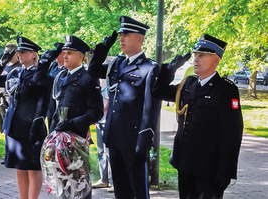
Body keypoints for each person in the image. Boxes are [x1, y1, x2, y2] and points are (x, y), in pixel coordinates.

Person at [153, 34, 243, 199]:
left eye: (202, 55)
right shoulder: (187, 84)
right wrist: (170, 69)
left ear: (216, 60)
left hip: (209, 169)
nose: (196, 58)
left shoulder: (225, 90)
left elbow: (232, 134)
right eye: (195, 54)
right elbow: (158, 91)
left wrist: (225, 172)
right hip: (185, 163)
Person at [88, 15, 161, 199]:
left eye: (126, 34)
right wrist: (104, 47)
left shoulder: (149, 68)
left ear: (139, 38)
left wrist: (143, 144)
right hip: (114, 137)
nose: (121, 38)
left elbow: (151, 109)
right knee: (120, 191)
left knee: (138, 192)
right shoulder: (117, 64)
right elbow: (93, 70)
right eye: (120, 34)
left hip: (134, 141)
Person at [34, 35, 104, 199]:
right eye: (63, 53)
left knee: (79, 185)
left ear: (80, 56)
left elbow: (96, 112)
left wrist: (71, 124)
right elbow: (38, 79)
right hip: (57, 137)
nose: (64, 56)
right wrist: (45, 60)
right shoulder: (60, 76)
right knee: (61, 184)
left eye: (69, 53)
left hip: (75, 139)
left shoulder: (87, 78)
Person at [0, 37, 51, 199]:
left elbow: (43, 101)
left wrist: (38, 121)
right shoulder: (15, 72)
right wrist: (1, 63)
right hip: (14, 125)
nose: (19, 55)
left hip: (31, 126)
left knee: (33, 166)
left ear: (34, 54)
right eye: (18, 52)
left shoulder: (40, 75)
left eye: (23, 52)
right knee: (20, 166)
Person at [0, 43, 22, 133]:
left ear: (16, 53)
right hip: (2, 101)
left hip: (12, 102)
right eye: (6, 52)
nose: (7, 54)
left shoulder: (19, 67)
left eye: (9, 52)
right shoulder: (4, 66)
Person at [92, 86, 114, 192]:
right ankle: (104, 179)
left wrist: (99, 117)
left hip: (106, 122)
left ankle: (112, 181)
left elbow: (106, 106)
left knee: (108, 152)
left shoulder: (108, 87)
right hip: (100, 122)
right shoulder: (101, 87)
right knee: (101, 151)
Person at [46, 42, 65, 131]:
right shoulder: (53, 66)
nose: (57, 56)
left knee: (61, 130)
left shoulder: (67, 69)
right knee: (51, 130)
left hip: (62, 107)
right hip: (50, 104)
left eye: (60, 53)